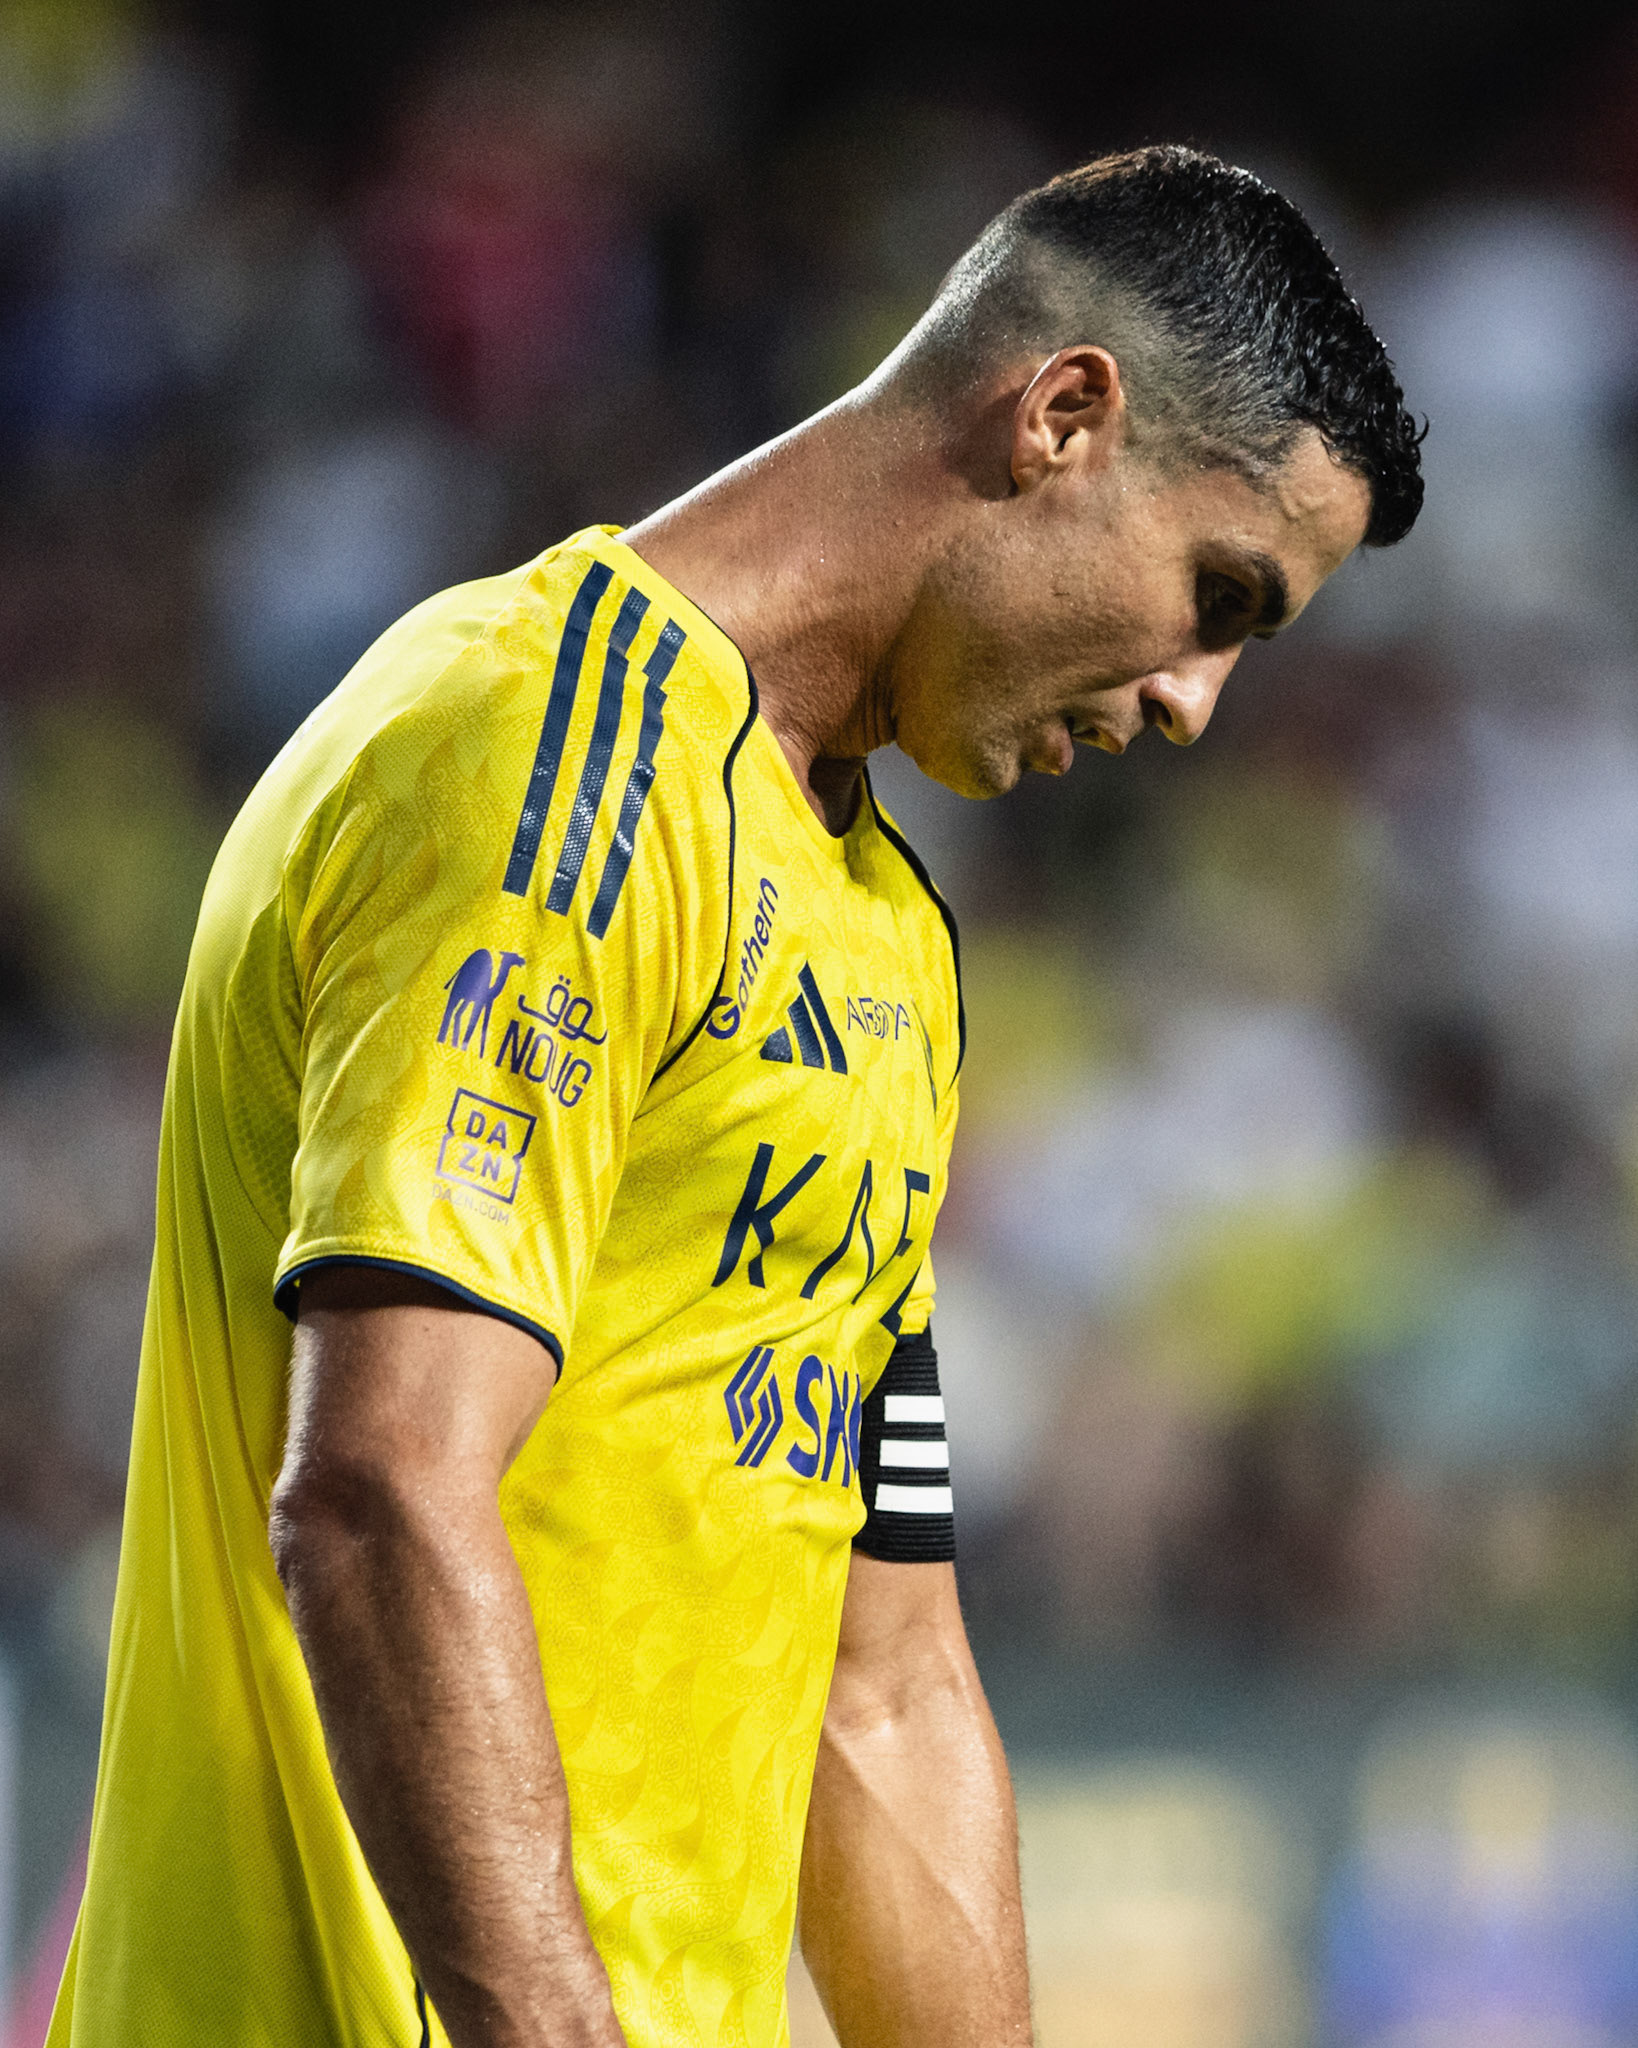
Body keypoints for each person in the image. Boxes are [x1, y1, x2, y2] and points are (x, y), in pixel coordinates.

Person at [49, 146, 1422, 2048]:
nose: (1194, 702)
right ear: (1063, 415)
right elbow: (377, 1494)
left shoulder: (885, 942)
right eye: (1217, 595)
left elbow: (885, 1684)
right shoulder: (544, 751)